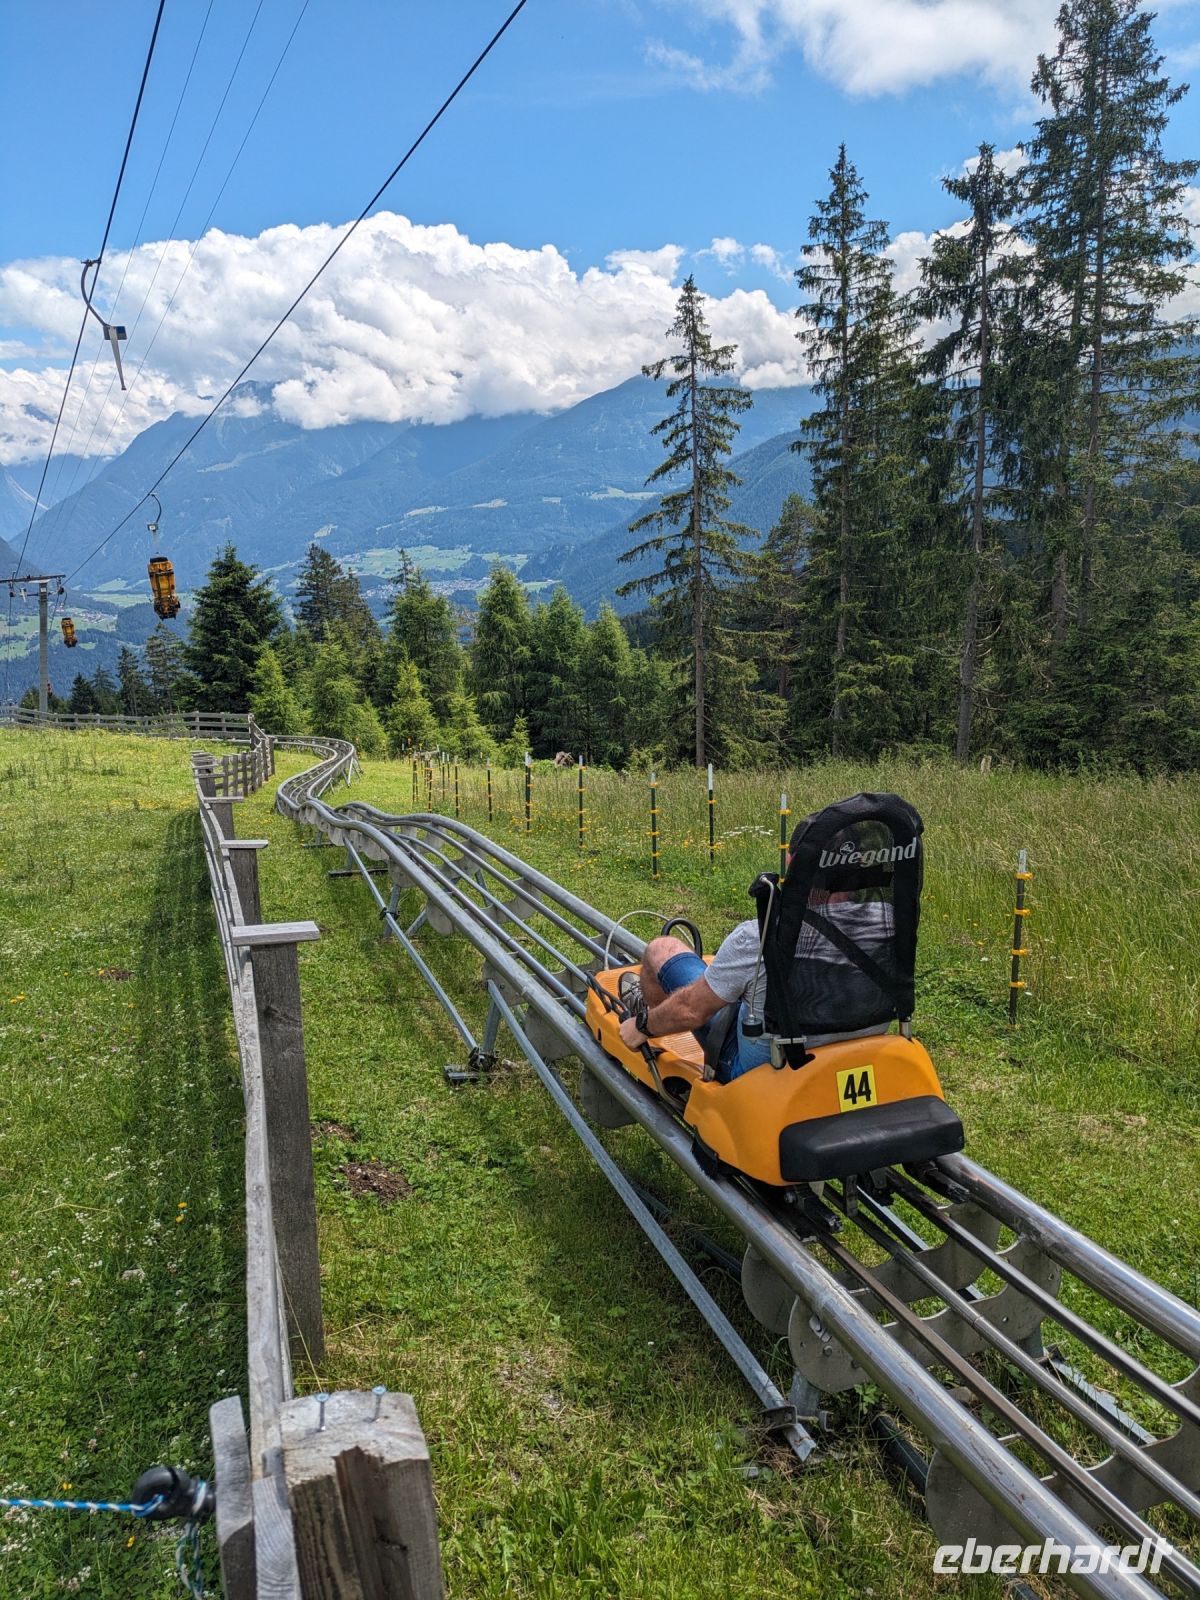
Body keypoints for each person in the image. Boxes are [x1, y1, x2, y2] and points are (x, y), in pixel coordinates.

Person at [617, 848, 894, 1082]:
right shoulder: (891, 923)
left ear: (791, 862)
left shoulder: (757, 937)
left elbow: (691, 1011)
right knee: (749, 987)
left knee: (661, 949)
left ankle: (646, 1014)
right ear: (860, 865)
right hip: (858, 1059)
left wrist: (642, 1026)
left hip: (764, 1074)